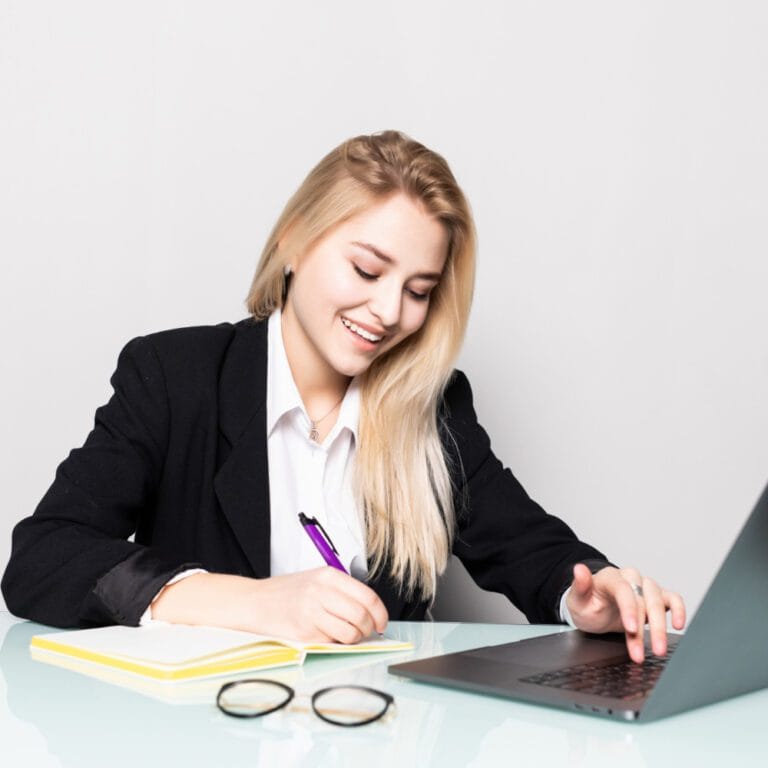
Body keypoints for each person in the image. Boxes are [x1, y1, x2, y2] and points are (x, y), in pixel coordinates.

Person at [2, 130, 684, 664]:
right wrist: (250, 604)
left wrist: (589, 595)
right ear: (293, 242)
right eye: (366, 268)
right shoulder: (173, 375)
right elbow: (42, 557)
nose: (389, 312)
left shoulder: (433, 406)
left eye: (419, 291)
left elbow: (530, 547)